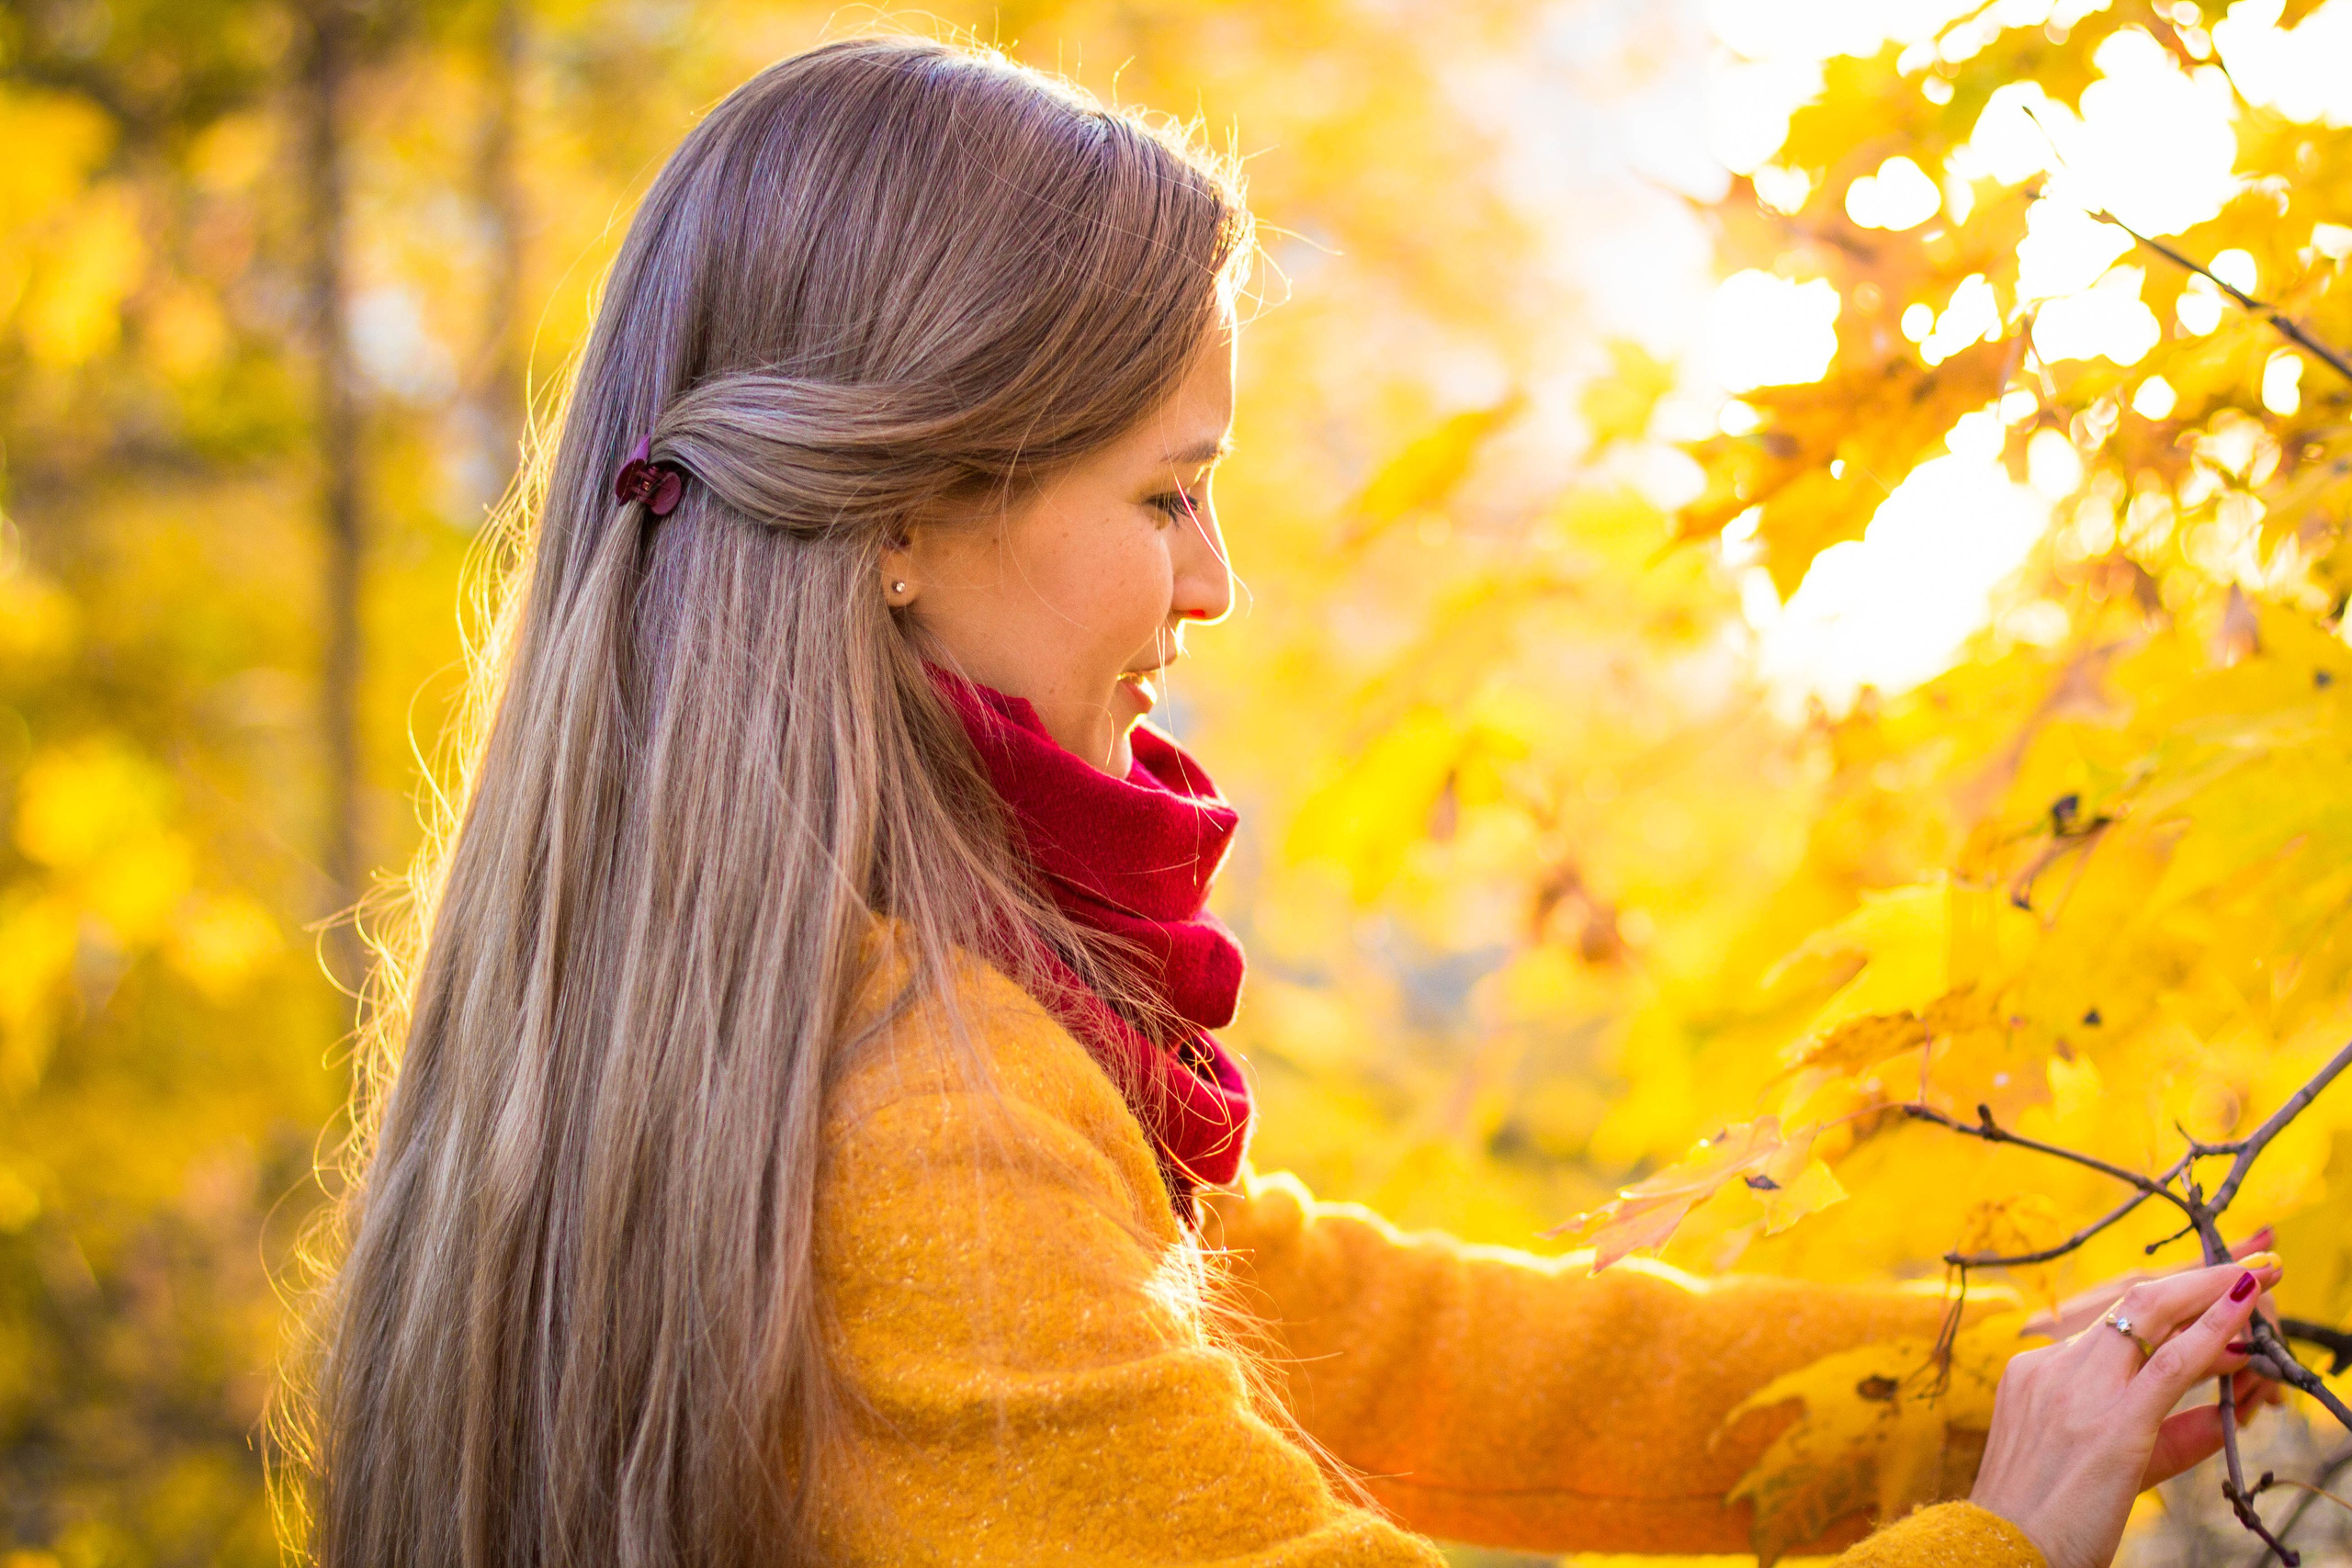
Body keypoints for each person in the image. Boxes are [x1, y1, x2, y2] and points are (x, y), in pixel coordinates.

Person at [288, 33, 2286, 1568]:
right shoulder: (919, 1122)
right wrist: (2004, 1530)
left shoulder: (776, 1007)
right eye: (1163, 494)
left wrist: (1970, 1379)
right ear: (901, 509)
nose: (1214, 579)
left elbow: (1385, 1341)